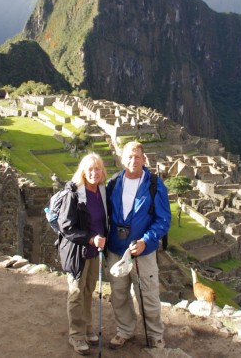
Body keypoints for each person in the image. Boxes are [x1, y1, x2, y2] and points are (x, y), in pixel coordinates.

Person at [106, 141, 171, 349]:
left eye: (137, 157)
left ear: (144, 159)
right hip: (116, 249)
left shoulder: (153, 184)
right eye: (129, 157)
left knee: (148, 295)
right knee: (118, 294)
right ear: (122, 159)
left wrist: (146, 240)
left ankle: (155, 334)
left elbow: (163, 220)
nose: (133, 161)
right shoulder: (113, 183)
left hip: (142, 250)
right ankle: (124, 330)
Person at [57, 152, 109, 355]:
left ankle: (87, 328)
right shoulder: (74, 194)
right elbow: (66, 226)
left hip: (95, 251)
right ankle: (76, 335)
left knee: (88, 290)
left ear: (102, 171)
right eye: (90, 169)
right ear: (83, 172)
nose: (94, 173)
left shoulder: (102, 192)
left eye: (97, 169)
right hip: (77, 251)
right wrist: (89, 239)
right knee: (76, 292)